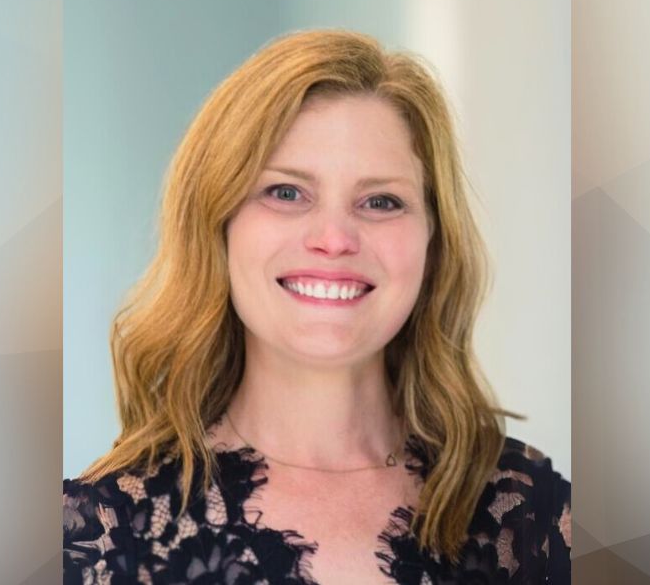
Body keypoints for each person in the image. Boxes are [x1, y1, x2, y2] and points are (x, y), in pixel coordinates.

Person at [63, 29, 571, 584]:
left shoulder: (534, 518)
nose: (334, 238)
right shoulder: (95, 535)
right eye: (286, 192)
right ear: (217, 225)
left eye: (381, 201)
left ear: (433, 241)